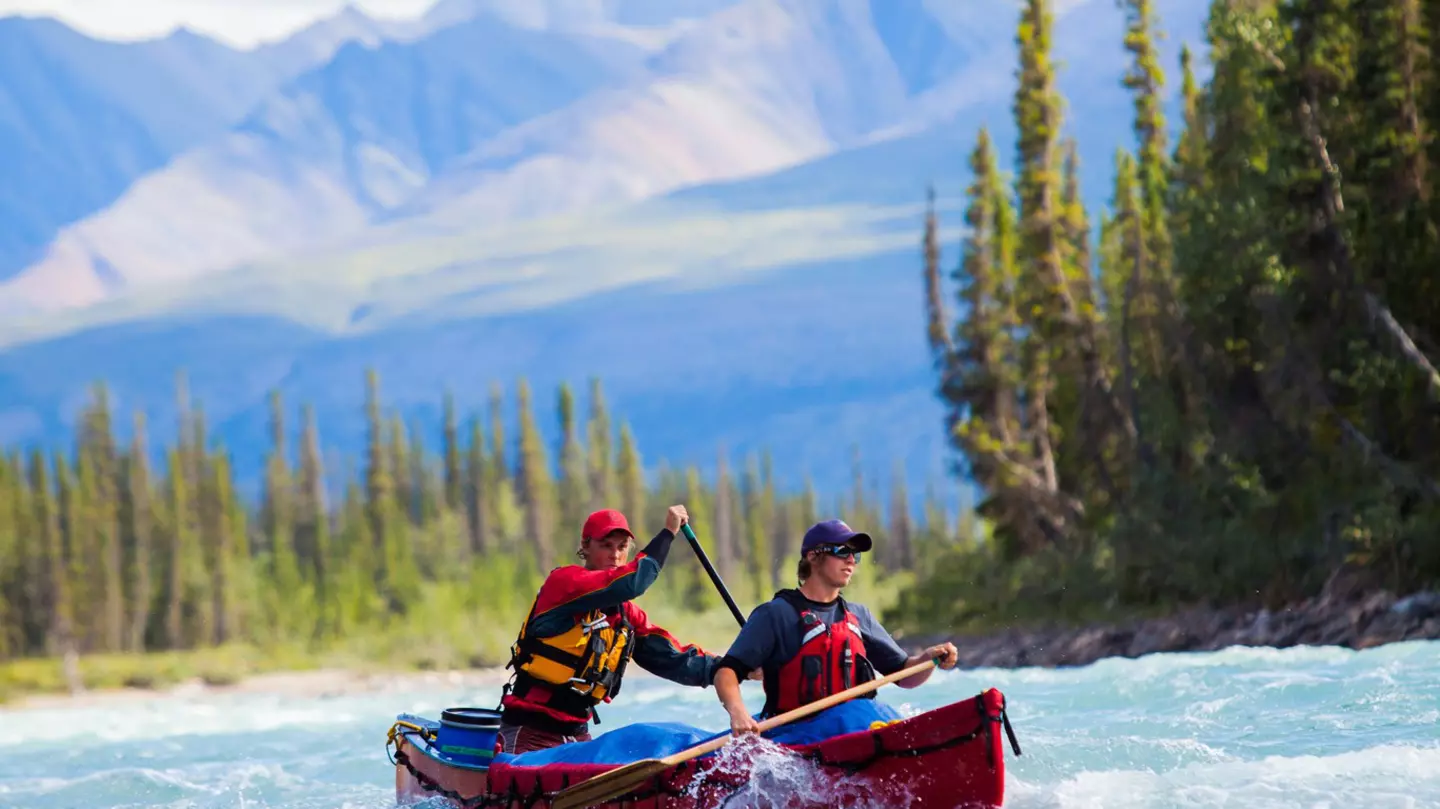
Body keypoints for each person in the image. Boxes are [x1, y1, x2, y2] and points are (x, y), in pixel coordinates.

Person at [496, 504, 724, 754]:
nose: (615, 555)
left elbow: (672, 658)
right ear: (585, 547)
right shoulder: (563, 584)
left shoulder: (627, 616)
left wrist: (733, 667)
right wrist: (668, 533)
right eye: (606, 546)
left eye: (622, 547)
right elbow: (630, 583)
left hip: (576, 736)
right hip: (529, 731)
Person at [711, 518, 960, 736]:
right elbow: (727, 672)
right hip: (793, 736)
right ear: (812, 556)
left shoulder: (858, 616)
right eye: (842, 551)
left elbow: (905, 674)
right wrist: (739, 713)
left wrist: (929, 659)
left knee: (865, 712)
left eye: (855, 555)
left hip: (852, 732)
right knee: (857, 715)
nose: (851, 560)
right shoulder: (775, 614)